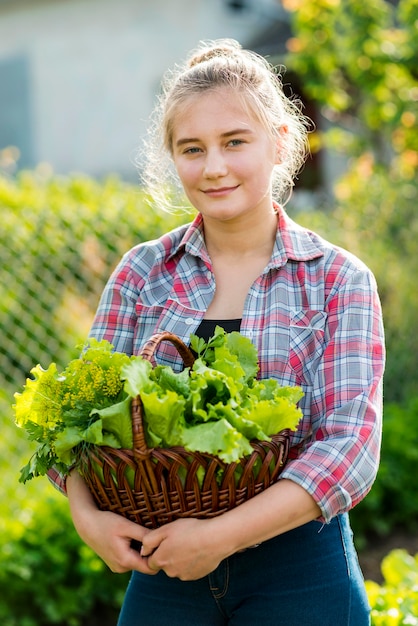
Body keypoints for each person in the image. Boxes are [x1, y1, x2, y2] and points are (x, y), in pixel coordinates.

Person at [48, 39, 385, 625]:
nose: (214, 167)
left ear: (279, 142)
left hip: (300, 569)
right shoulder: (142, 274)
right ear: (172, 158)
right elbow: (78, 416)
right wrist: (89, 517)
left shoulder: (337, 279)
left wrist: (221, 536)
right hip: (164, 569)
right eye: (192, 149)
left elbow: (349, 448)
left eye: (235, 142)